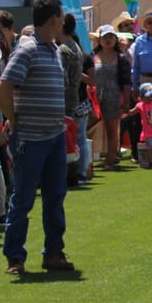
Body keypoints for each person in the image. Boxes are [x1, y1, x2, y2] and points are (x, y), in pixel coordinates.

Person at [0, 0, 76, 274]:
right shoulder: (27, 50)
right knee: (24, 199)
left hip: (54, 135)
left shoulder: (54, 50)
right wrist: (13, 120)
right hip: (30, 138)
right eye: (61, 18)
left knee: (55, 197)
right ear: (53, 19)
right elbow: (2, 89)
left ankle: (53, 253)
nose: (62, 23)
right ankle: (15, 257)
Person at [92, 25, 132, 170]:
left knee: (112, 130)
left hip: (113, 97)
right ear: (99, 40)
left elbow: (127, 82)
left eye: (110, 37)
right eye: (105, 37)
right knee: (93, 129)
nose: (108, 40)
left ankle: (110, 159)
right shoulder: (93, 56)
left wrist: (126, 101)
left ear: (115, 39)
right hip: (95, 97)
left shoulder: (121, 59)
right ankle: (93, 158)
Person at [58, 14, 91, 186]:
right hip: (74, 96)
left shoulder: (64, 49)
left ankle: (74, 174)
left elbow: (62, 79)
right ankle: (79, 173)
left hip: (66, 99)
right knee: (77, 138)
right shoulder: (75, 46)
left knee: (70, 140)